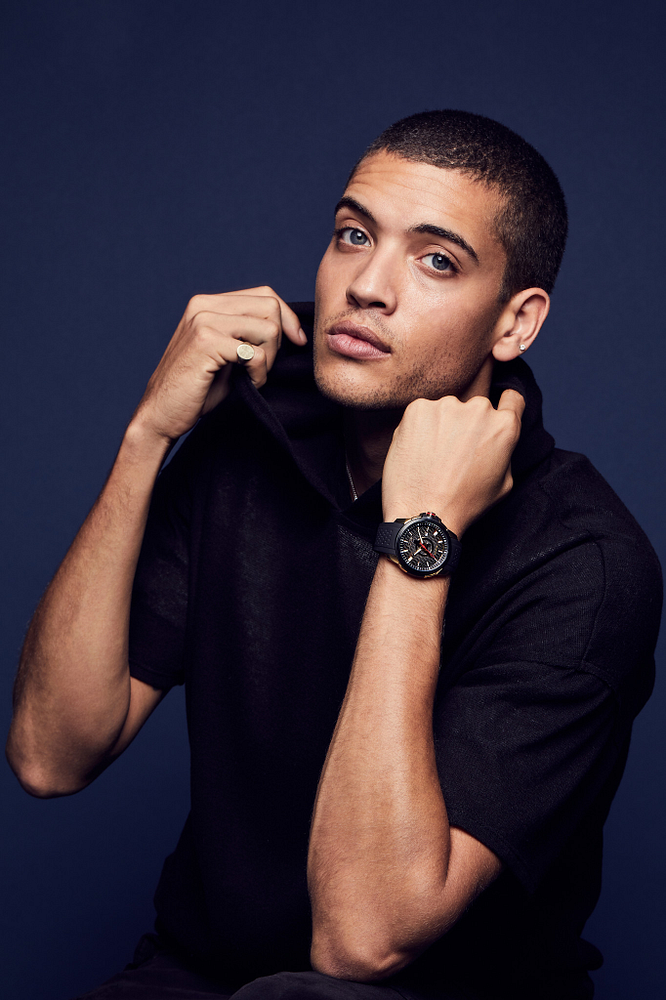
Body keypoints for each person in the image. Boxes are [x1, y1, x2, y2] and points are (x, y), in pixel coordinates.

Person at [6, 111, 661, 1000]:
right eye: (354, 235)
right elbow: (50, 755)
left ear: (515, 323)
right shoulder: (251, 434)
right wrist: (147, 435)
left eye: (436, 260)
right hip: (200, 978)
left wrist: (422, 532)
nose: (368, 286)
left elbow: (364, 941)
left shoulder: (583, 561)